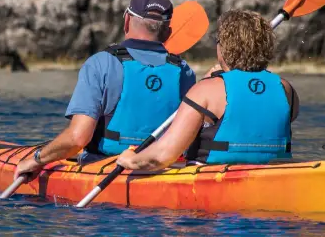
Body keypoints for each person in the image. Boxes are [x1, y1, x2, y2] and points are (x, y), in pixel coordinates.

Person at [14, 0, 196, 181]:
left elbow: (77, 139)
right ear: (167, 31)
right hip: (165, 170)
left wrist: (35, 160)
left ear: (126, 20)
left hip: (104, 168)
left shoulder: (101, 63)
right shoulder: (184, 71)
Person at [117, 9, 299, 171]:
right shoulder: (285, 89)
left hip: (211, 184)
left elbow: (161, 157)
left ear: (225, 47)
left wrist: (131, 160)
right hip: (271, 176)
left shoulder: (205, 90)